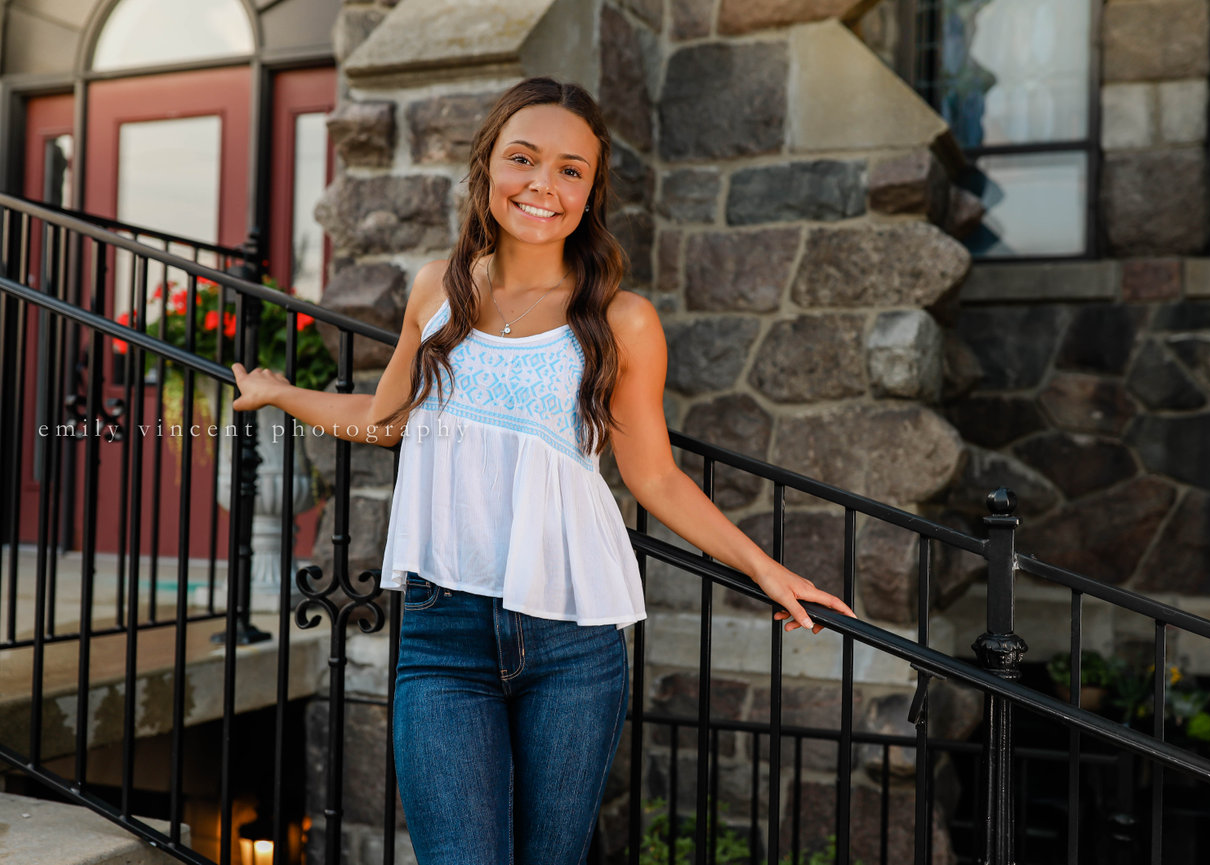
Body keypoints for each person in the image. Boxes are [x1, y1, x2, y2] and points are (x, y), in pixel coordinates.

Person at [230, 76, 856, 865]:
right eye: (523, 159)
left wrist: (765, 570)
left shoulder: (622, 320)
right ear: (487, 165)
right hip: (443, 631)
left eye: (570, 170)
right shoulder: (437, 289)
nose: (542, 185)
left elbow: (654, 478)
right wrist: (281, 391)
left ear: (591, 191)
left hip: (573, 637)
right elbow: (385, 420)